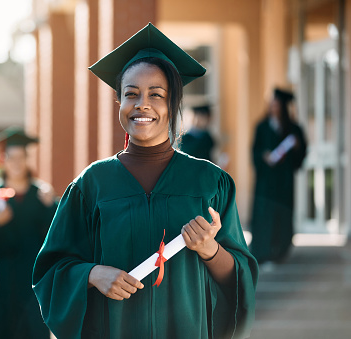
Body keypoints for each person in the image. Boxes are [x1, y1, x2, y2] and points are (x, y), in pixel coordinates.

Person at [33, 23, 258, 339]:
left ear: (173, 103)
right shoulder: (91, 186)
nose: (142, 104)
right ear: (119, 102)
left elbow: (241, 278)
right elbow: (51, 271)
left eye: (157, 94)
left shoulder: (209, 183)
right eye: (131, 94)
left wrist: (210, 250)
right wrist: (92, 274)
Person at [0, 129, 57, 339]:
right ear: (3, 160)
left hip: (35, 277)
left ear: (28, 159)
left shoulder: (41, 194)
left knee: (35, 328)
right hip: (5, 275)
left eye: (22, 157)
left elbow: (56, 235)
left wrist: (50, 207)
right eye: (12, 157)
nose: (17, 163)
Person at [250, 88, 307, 264]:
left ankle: (280, 251)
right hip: (266, 182)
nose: (273, 108)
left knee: (282, 214)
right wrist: (263, 156)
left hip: (283, 182)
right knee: (264, 215)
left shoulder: (293, 129)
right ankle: (262, 252)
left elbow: (301, 154)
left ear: (283, 107)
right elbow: (254, 152)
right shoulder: (261, 126)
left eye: (276, 105)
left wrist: (297, 147)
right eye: (271, 104)